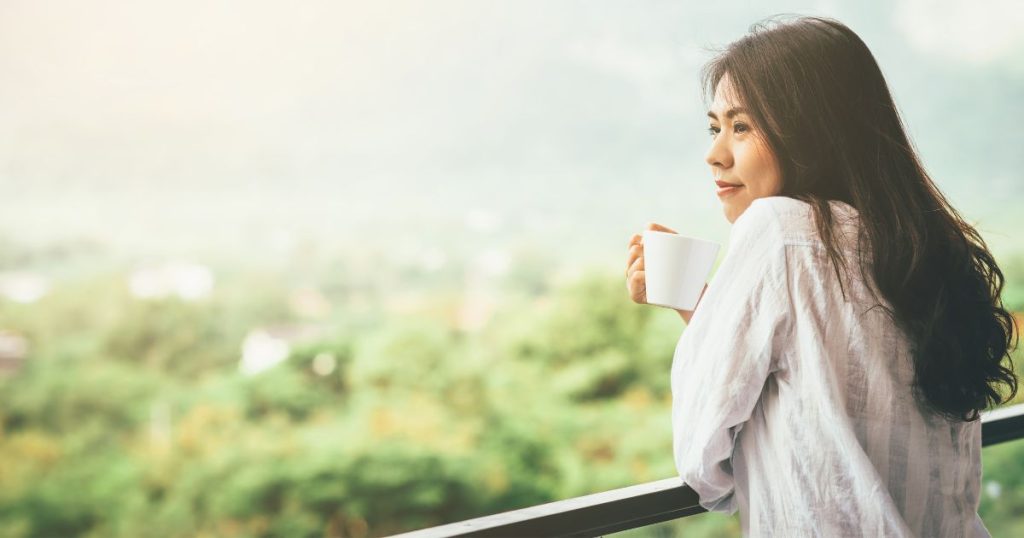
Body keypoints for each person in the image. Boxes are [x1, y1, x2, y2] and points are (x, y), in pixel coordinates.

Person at [624, 15, 1018, 537]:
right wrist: (706, 311)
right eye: (715, 126)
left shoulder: (779, 228)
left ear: (811, 131)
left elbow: (706, 470)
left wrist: (708, 326)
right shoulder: (927, 244)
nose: (715, 153)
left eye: (742, 126)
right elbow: (838, 389)